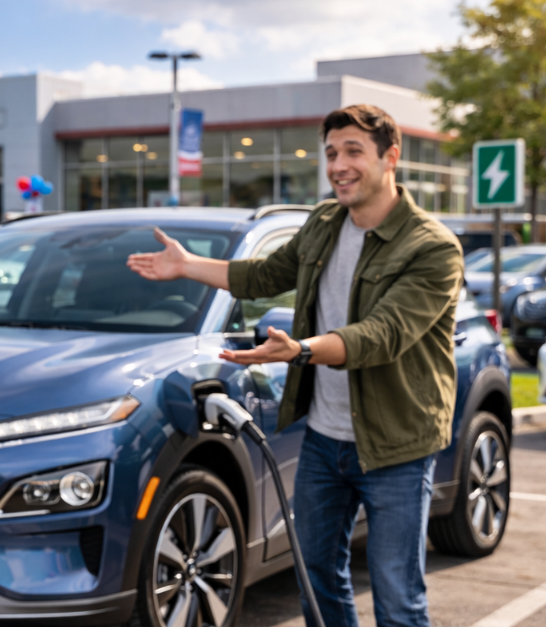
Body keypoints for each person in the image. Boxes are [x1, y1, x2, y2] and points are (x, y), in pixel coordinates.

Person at [128, 104, 462, 627]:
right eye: (331, 153)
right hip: (325, 442)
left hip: (396, 448)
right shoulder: (325, 222)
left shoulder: (433, 247)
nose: (339, 165)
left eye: (354, 151)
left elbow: (382, 336)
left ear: (390, 157)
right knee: (317, 580)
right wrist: (186, 265)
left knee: (398, 599)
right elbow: (264, 275)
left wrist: (301, 349)